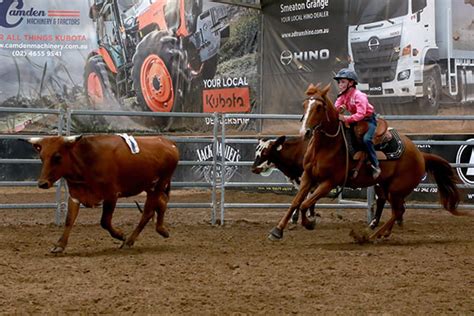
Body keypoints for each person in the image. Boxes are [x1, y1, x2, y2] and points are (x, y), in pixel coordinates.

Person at [333, 68, 381, 179]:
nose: (340, 84)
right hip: (356, 121)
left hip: (369, 120)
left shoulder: (359, 96)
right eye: (339, 82)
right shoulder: (342, 96)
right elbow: (335, 109)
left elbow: (361, 114)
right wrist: (338, 110)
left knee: (366, 140)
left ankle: (376, 165)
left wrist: (344, 117)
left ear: (351, 83)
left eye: (343, 81)